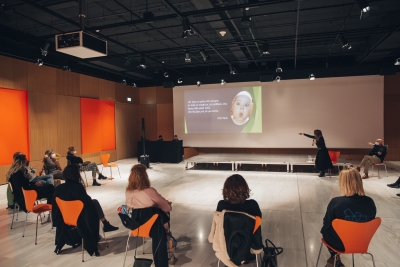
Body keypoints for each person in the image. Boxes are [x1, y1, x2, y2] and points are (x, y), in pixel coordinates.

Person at [52, 164, 118, 256]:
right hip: (80, 219)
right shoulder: (78, 188)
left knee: (93, 203)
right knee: (94, 203)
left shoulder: (59, 188)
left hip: (65, 218)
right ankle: (105, 224)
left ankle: (106, 224)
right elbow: (87, 204)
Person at [321, 167, 376, 267]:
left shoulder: (336, 202)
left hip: (339, 244)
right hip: (361, 242)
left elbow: (327, 223)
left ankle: (335, 256)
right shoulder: (370, 202)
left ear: (342, 183)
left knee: (324, 230)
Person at [125, 164, 171, 267]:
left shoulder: (128, 192)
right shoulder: (149, 191)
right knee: (163, 215)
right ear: (145, 176)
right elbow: (166, 208)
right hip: (152, 228)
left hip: (135, 227)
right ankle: (166, 245)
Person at [213, 174, 262, 264]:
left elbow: (218, 227)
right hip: (247, 245)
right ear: (245, 189)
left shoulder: (221, 205)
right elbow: (257, 227)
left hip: (225, 247)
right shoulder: (253, 205)